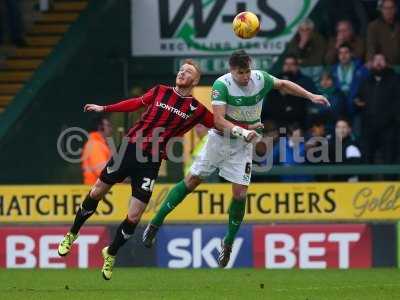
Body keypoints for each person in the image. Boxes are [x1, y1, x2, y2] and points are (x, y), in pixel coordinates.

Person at [142, 50, 329, 268]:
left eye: (248, 70)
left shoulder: (260, 78)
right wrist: (243, 131)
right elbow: (219, 121)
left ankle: (228, 243)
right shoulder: (221, 86)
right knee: (192, 181)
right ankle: (155, 223)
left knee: (240, 193)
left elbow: (284, 84)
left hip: (242, 145)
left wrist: (311, 96)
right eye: (241, 72)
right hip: (220, 140)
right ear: (232, 71)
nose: (246, 76)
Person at [57, 60, 214, 280]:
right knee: (96, 192)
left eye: (188, 72)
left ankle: (110, 253)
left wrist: (245, 129)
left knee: (135, 215)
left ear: (195, 81)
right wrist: (105, 109)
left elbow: (219, 124)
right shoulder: (160, 91)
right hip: (129, 149)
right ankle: (72, 234)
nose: (182, 72)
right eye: (181, 69)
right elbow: (135, 103)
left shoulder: (196, 109)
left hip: (151, 162)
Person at [355, 53, 400, 165]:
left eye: (381, 60)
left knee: (389, 158)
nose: (379, 63)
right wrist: (357, 102)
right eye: (376, 60)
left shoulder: (395, 80)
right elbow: (358, 98)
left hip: (389, 127)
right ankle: (366, 183)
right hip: (369, 127)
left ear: (387, 64)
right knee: (366, 158)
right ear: (371, 64)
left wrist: (393, 119)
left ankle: (391, 183)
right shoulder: (365, 81)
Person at [261, 55, 317, 130]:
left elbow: (308, 106)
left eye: (291, 64)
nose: (288, 66)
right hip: (275, 122)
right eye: (286, 64)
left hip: (298, 122)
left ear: (297, 66)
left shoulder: (305, 82)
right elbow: (268, 106)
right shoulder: (276, 80)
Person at [331, 43, 369, 125]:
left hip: (355, 104)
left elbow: (367, 86)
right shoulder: (333, 69)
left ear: (351, 54)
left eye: (346, 52)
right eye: (340, 53)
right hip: (339, 104)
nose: (343, 55)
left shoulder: (361, 69)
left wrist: (361, 97)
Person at [81, 116, 113, 185]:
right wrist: (122, 177)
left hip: (98, 188)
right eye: (108, 125)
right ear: (100, 127)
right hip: (96, 189)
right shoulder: (95, 144)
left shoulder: (99, 144)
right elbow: (101, 171)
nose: (111, 129)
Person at [367, 0, 400, 64]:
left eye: (391, 8)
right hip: (383, 65)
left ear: (395, 9)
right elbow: (371, 46)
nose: (389, 11)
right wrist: (370, 61)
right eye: (386, 8)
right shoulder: (373, 26)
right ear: (381, 9)